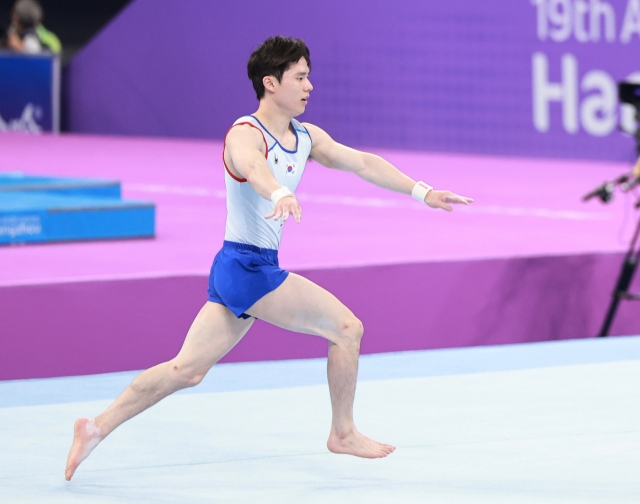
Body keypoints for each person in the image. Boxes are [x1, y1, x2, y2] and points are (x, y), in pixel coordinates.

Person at [64, 35, 473, 481]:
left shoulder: (305, 137)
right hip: (248, 267)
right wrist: (278, 191)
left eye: (309, 76)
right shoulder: (244, 134)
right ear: (270, 83)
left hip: (235, 270)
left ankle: (95, 428)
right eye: (299, 77)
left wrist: (422, 191)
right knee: (347, 329)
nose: (309, 86)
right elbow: (254, 167)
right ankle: (343, 432)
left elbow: (361, 163)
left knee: (186, 370)